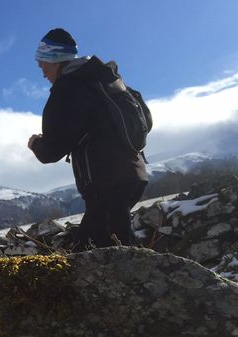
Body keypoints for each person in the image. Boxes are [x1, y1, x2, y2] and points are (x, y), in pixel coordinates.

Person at [27, 28, 149, 250]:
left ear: (55, 60)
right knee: (91, 247)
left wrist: (35, 143)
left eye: (42, 62)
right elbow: (145, 121)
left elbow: (52, 151)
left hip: (105, 183)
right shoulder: (104, 78)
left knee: (110, 256)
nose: (41, 70)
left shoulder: (67, 90)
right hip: (134, 172)